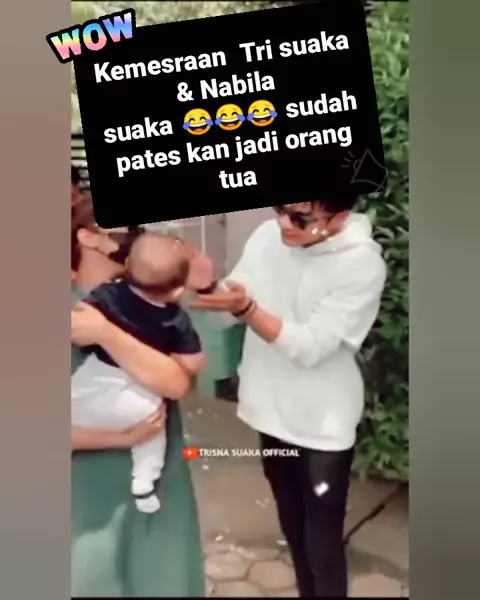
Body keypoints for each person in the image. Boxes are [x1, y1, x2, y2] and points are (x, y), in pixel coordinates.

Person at [191, 199, 387, 598]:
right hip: (269, 409)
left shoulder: (361, 263)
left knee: (322, 542)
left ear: (339, 216)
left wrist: (247, 309)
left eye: (300, 217)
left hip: (322, 425)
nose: (284, 223)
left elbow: (312, 347)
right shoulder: (268, 236)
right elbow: (229, 305)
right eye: (279, 209)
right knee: (293, 527)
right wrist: (208, 288)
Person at [71, 195, 206, 597]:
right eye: (128, 232)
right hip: (88, 492)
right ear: (88, 238)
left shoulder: (154, 301)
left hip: (159, 485)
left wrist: (107, 334)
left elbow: (179, 383)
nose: (137, 241)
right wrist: (118, 438)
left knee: (160, 577)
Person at [72, 232, 205, 514]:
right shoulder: (174, 318)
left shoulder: (105, 295)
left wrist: (104, 332)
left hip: (91, 382)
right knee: (153, 420)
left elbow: (178, 385)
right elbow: (188, 370)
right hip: (132, 400)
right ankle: (145, 478)